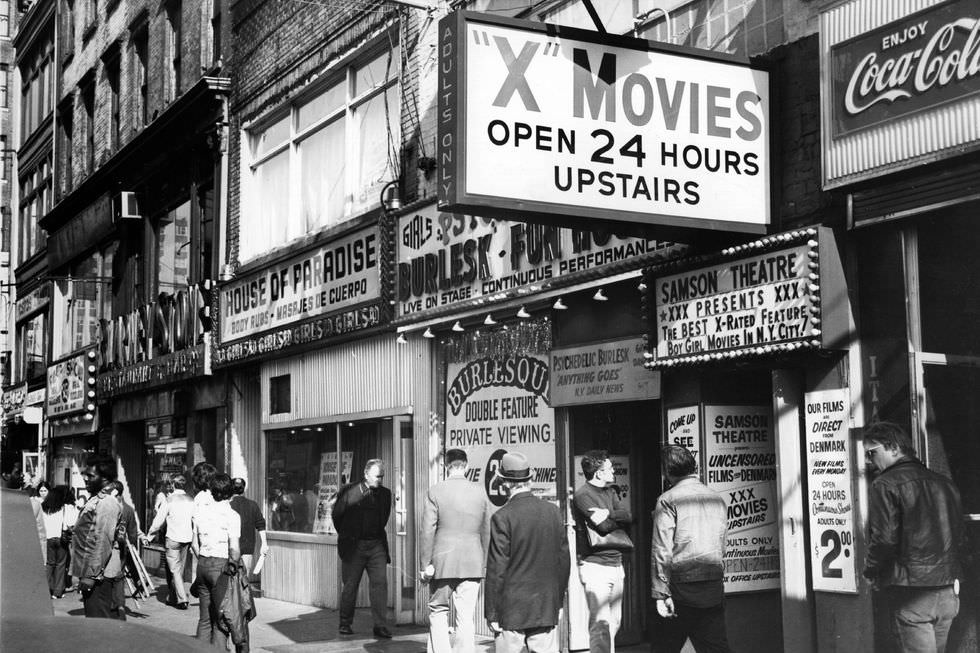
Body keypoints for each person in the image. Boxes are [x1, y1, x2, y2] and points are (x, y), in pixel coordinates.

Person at [862, 421, 963, 653]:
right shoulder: (945, 484)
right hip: (947, 591)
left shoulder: (884, 484)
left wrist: (871, 571)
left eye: (872, 453)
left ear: (894, 448)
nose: (868, 461)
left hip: (912, 592)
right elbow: (960, 536)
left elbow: (885, 539)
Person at [485, 451, 570, 653]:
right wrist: (558, 602)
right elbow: (563, 562)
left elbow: (497, 569)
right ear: (530, 479)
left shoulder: (502, 517)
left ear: (504, 483)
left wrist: (492, 613)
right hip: (545, 604)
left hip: (511, 608)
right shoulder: (553, 512)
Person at [650, 445, 731, 653]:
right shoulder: (716, 498)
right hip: (712, 583)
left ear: (666, 472)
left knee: (664, 647)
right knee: (715, 647)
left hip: (680, 587)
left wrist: (661, 593)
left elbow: (662, 549)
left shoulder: (668, 500)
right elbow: (722, 543)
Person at [419, 449, 492, 653]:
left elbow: (427, 531)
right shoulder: (480, 492)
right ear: (467, 466)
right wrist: (483, 562)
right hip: (473, 563)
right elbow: (487, 530)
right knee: (466, 616)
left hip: (442, 562)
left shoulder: (435, 491)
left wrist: (425, 565)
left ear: (445, 466)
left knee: (438, 610)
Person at [572, 450, 633, 653]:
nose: (613, 471)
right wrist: (614, 518)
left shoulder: (610, 492)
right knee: (601, 624)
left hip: (616, 563)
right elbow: (603, 528)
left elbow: (628, 515)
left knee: (614, 621)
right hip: (595, 565)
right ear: (598, 473)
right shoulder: (582, 495)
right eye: (609, 468)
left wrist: (608, 512)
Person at [332, 458, 393, 638]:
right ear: (366, 474)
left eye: (382, 476)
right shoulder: (350, 492)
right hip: (354, 545)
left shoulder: (385, 494)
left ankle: (380, 625)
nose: (379, 480)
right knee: (350, 585)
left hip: (376, 545)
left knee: (380, 584)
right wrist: (348, 536)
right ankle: (345, 622)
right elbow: (337, 516)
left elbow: (384, 518)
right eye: (376, 476)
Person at [192, 472, 244, 651]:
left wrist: (204, 558)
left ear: (212, 491)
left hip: (203, 564)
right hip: (221, 567)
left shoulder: (200, 513)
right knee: (221, 620)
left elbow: (194, 544)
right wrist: (233, 565)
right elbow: (234, 549)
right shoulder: (232, 515)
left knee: (205, 619)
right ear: (230, 492)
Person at [70, 453, 126, 619]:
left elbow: (102, 541)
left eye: (91, 475)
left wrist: (90, 575)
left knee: (99, 627)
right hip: (95, 572)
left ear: (104, 478)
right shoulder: (97, 499)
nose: (86, 478)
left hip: (100, 577)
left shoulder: (107, 502)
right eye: (85, 474)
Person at [144, 473, 195, 609]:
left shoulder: (170, 500)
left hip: (172, 538)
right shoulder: (191, 500)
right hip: (187, 539)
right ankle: (173, 597)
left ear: (173, 485)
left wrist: (149, 536)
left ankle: (182, 598)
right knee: (179, 570)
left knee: (175, 570)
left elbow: (158, 521)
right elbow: (195, 520)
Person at [229, 477, 269, 582]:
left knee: (230, 580)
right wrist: (264, 543)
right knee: (244, 579)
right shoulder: (253, 505)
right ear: (244, 488)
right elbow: (260, 524)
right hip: (248, 547)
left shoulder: (227, 505)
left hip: (231, 547)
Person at [40, 485, 73, 598]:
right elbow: (69, 523)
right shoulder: (64, 507)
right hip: (61, 539)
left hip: (48, 539)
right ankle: (58, 592)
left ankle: (45, 589)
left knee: (50, 564)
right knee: (61, 565)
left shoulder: (44, 507)